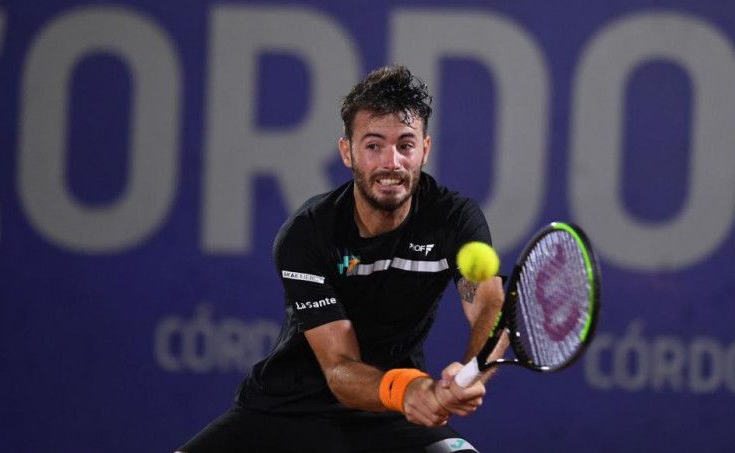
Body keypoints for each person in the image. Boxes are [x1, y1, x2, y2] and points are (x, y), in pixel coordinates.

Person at [177, 65, 506, 453]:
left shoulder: (455, 219)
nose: (391, 162)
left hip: (391, 417)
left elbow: (488, 303)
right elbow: (339, 369)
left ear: (425, 149)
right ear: (347, 151)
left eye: (405, 145)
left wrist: (472, 375)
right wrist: (407, 389)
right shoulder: (307, 234)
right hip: (286, 410)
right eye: (373, 146)